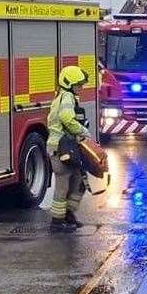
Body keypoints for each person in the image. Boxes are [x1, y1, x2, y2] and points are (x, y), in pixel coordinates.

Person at [48, 65, 91, 232]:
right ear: (69, 84)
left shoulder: (67, 97)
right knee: (63, 184)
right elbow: (66, 118)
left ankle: (69, 215)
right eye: (78, 85)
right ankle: (57, 221)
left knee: (77, 181)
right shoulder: (67, 97)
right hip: (60, 148)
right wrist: (82, 130)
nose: (81, 88)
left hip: (67, 146)